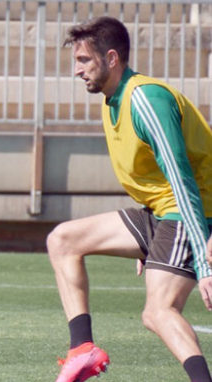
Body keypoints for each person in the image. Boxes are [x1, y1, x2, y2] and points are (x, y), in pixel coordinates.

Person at [49, 16, 212, 382]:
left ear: (111, 58)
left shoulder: (146, 99)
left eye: (84, 60)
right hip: (162, 211)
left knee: (158, 311)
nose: (77, 71)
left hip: (191, 212)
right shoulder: (113, 100)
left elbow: (181, 179)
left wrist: (205, 263)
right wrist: (150, 243)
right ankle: (82, 351)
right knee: (63, 240)